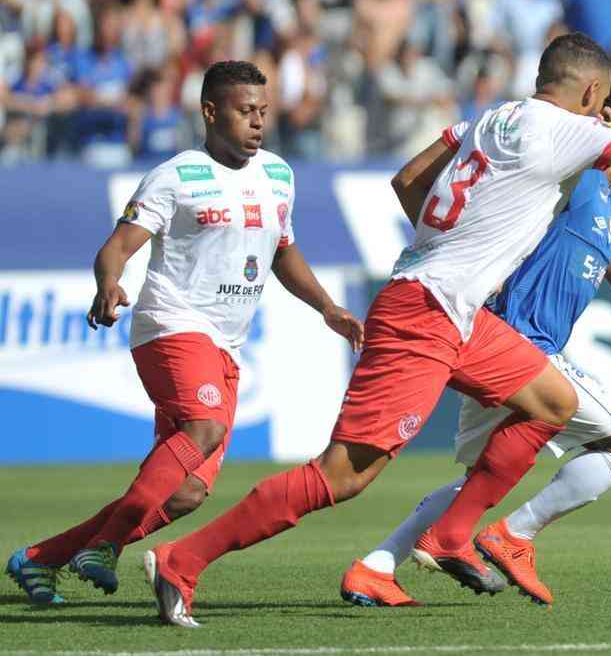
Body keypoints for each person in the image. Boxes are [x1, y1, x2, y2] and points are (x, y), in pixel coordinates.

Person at [142, 32, 611, 628]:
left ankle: (448, 534)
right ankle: (183, 559)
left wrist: (453, 251)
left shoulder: (495, 118)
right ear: (593, 95)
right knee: (344, 476)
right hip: (423, 316)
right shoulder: (570, 131)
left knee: (553, 402)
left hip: (455, 309)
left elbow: (414, 182)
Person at [339, 64, 611, 608]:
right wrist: (594, 124)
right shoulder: (577, 173)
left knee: (479, 481)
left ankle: (376, 566)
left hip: (500, 344)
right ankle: (513, 535)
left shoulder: (610, 213)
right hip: (516, 343)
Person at [6, 61, 363, 606]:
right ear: (210, 111)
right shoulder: (176, 176)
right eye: (246, 112)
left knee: (187, 494)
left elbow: (283, 252)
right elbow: (117, 247)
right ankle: (104, 545)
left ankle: (41, 558)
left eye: (263, 112)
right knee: (203, 427)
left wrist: (327, 308)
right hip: (170, 326)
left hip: (225, 344)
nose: (258, 123)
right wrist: (109, 283)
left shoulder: (278, 175)